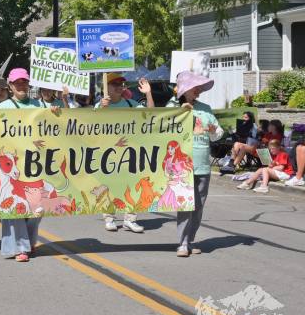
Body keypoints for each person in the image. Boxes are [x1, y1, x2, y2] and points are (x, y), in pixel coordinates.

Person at [0, 68, 64, 262]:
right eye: (17, 83)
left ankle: (28, 241)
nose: (21, 86)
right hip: (16, 167)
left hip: (37, 164)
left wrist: (55, 112)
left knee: (37, 207)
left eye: (24, 82)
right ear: (10, 86)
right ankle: (21, 247)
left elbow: (55, 129)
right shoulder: (3, 107)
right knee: (18, 206)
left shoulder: (39, 104)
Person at [166, 71, 223, 257]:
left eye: (199, 87)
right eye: (195, 87)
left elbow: (217, 134)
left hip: (202, 164)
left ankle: (190, 240)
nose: (198, 90)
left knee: (198, 206)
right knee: (185, 205)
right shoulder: (172, 107)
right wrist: (181, 113)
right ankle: (182, 243)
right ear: (186, 88)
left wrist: (215, 130)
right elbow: (162, 130)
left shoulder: (206, 108)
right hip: (182, 166)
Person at [96, 74, 154, 233]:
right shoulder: (100, 105)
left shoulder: (130, 104)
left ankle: (130, 219)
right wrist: (101, 109)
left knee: (132, 187)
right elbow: (90, 126)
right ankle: (109, 218)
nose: (119, 86)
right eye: (114, 83)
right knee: (109, 187)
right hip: (108, 155)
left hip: (130, 154)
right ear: (106, 87)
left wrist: (148, 93)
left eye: (121, 83)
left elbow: (150, 113)